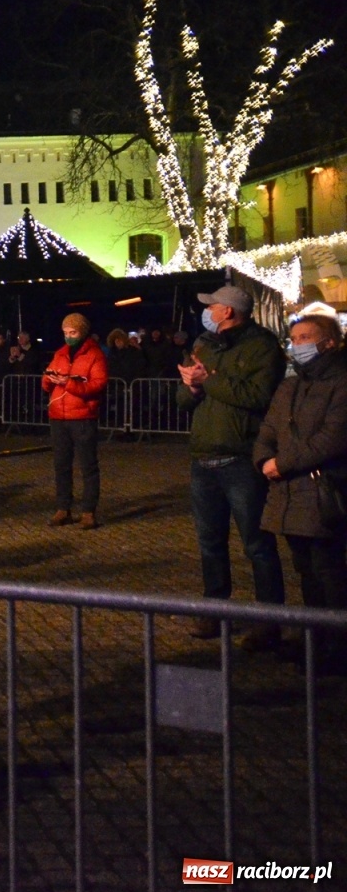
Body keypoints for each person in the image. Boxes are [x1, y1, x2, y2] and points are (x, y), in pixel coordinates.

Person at [178, 285, 288, 648]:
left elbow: (256, 396)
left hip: (240, 456)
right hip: (203, 456)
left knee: (256, 543)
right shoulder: (205, 344)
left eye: (213, 306)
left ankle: (269, 620)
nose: (207, 311)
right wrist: (191, 387)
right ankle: (215, 609)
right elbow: (183, 399)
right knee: (210, 542)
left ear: (230, 311)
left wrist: (209, 381)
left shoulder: (262, 346)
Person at [253, 304, 347, 673]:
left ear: (328, 343)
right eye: (293, 340)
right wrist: (263, 459)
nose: (296, 346)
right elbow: (269, 429)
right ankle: (315, 638)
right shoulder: (291, 384)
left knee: (329, 571)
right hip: (290, 492)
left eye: (304, 339)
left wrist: (284, 463)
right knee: (305, 571)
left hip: (323, 489)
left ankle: (336, 646)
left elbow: (333, 438)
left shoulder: (340, 383)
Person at [42, 313, 108, 529]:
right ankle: (64, 508)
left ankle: (88, 511)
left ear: (82, 332)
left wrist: (69, 384)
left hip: (82, 417)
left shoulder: (95, 355)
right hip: (59, 417)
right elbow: (46, 382)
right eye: (65, 333)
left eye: (73, 332)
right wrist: (48, 379)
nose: (68, 337)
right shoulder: (60, 354)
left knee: (88, 466)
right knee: (61, 465)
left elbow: (97, 385)